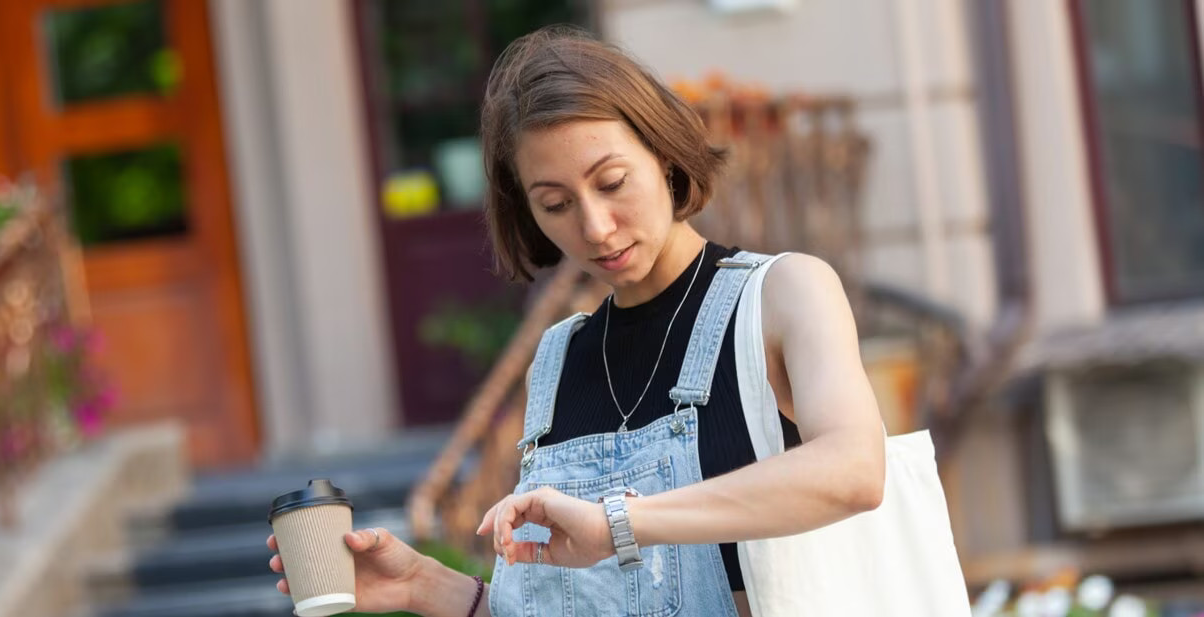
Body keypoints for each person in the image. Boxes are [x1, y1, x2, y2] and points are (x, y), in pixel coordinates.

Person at [266, 25, 885, 617]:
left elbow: (855, 469)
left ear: (665, 157)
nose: (594, 227)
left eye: (612, 182)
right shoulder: (559, 361)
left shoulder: (781, 294)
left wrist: (619, 523)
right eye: (555, 205)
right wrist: (423, 584)